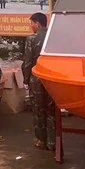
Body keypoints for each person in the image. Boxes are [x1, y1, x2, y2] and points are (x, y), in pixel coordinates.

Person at [22, 12, 55, 151]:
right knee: (51, 110)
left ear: (38, 23)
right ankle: (53, 142)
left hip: (36, 79)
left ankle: (41, 141)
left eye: (32, 23)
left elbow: (28, 62)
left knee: (38, 110)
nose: (31, 26)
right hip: (51, 78)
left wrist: (25, 79)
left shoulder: (32, 39)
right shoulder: (53, 37)